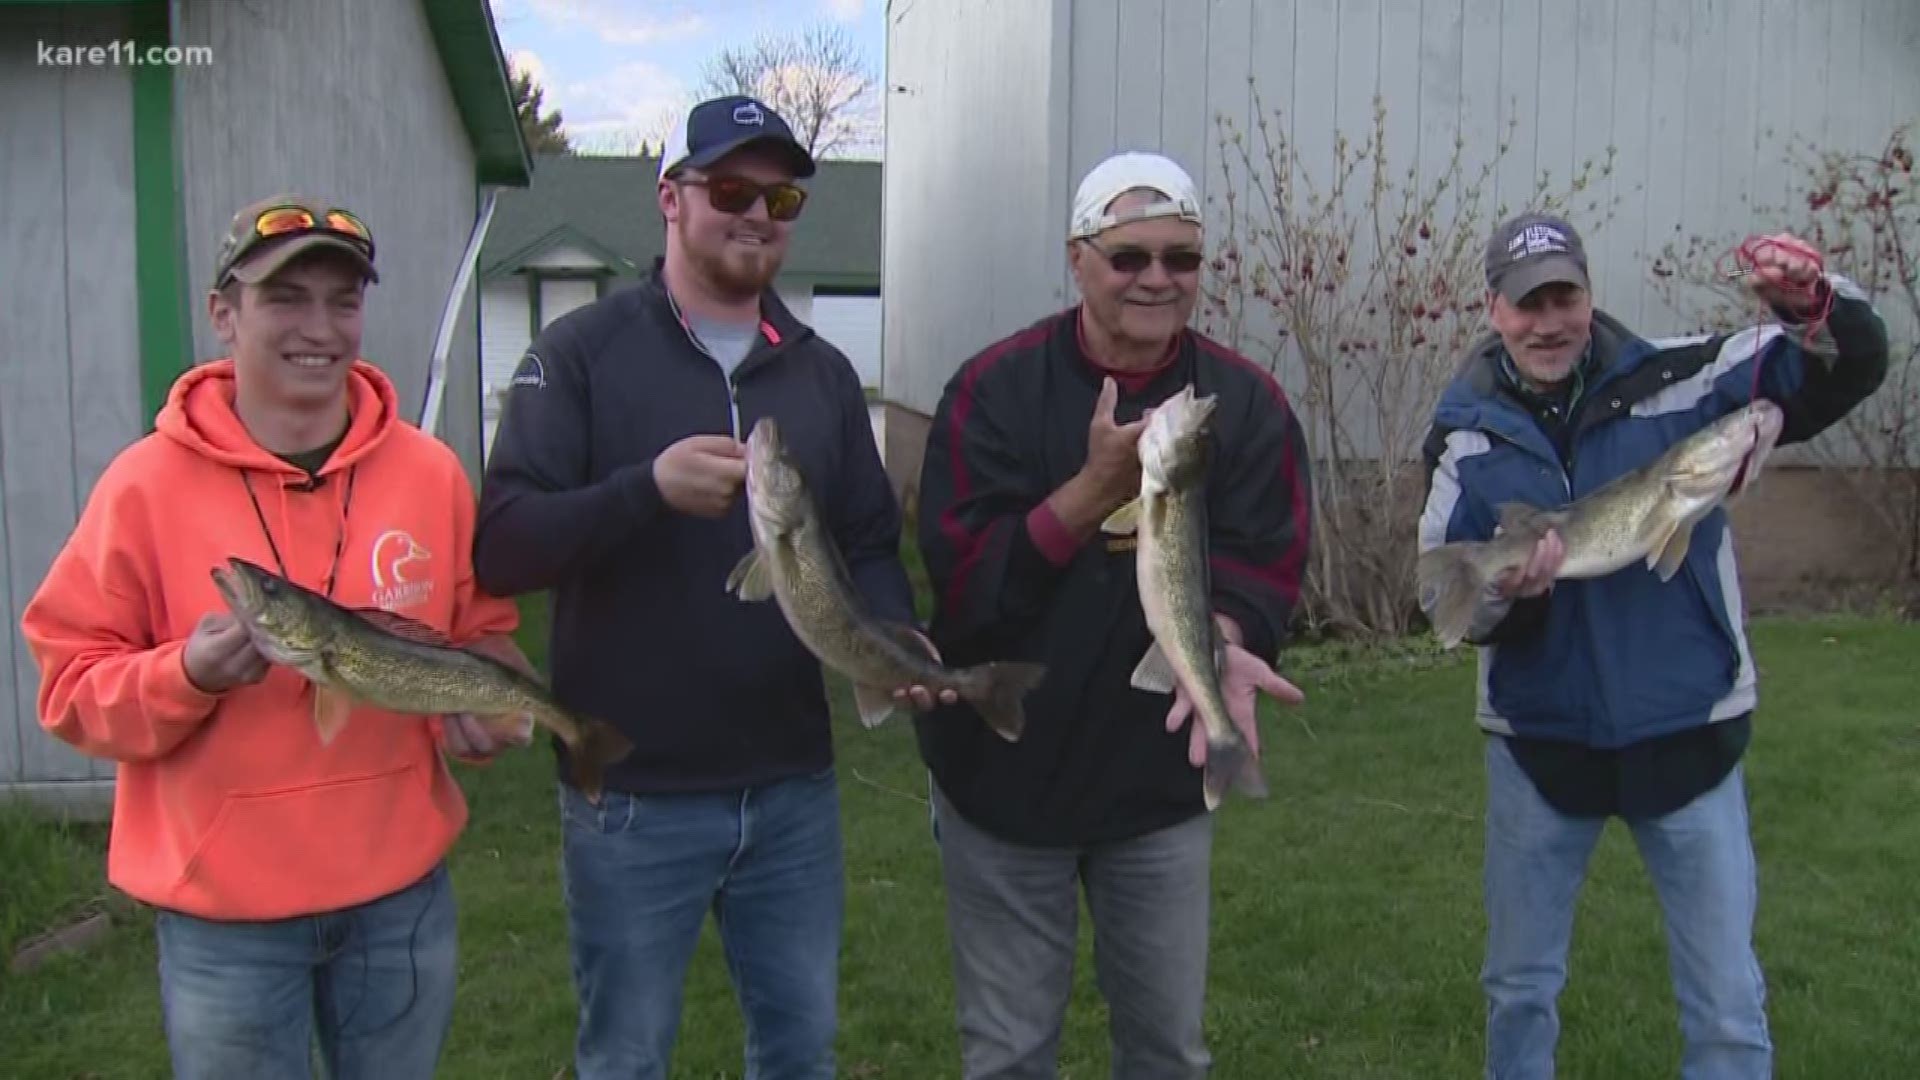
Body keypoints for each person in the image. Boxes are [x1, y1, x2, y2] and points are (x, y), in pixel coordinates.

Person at [20, 194, 535, 1079]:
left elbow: (481, 637)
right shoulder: (141, 487)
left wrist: (493, 720)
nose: (320, 328)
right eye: (285, 297)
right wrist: (187, 674)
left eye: (344, 300)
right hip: (226, 920)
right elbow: (70, 690)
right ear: (224, 314)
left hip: (400, 902)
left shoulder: (431, 471)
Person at [471, 94, 932, 1080]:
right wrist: (645, 491)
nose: (759, 213)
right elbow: (504, 545)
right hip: (635, 797)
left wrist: (894, 633)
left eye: (782, 196)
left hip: (793, 791)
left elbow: (867, 541)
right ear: (670, 199)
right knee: (627, 1056)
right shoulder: (579, 355)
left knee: (801, 1050)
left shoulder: (821, 376)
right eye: (731, 188)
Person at [1416, 212, 1889, 1078]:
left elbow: (1848, 363)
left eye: (1566, 296)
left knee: (1727, 1008)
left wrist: (1813, 302)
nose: (1549, 321)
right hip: (1540, 752)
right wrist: (1507, 600)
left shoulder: (1686, 379)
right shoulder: (1463, 436)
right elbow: (1447, 603)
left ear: (1591, 295)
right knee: (1519, 989)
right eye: (1528, 304)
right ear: (1493, 309)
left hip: (1687, 736)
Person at [911, 150, 1313, 1079]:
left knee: (1168, 1052)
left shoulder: (1241, 405)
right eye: (1130, 256)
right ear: (1078, 258)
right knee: (1010, 1053)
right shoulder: (993, 390)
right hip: (1004, 782)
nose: (1158, 279)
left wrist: (1228, 635)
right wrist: (1089, 493)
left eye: (1182, 258)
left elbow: (1266, 556)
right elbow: (967, 594)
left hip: (1158, 790)